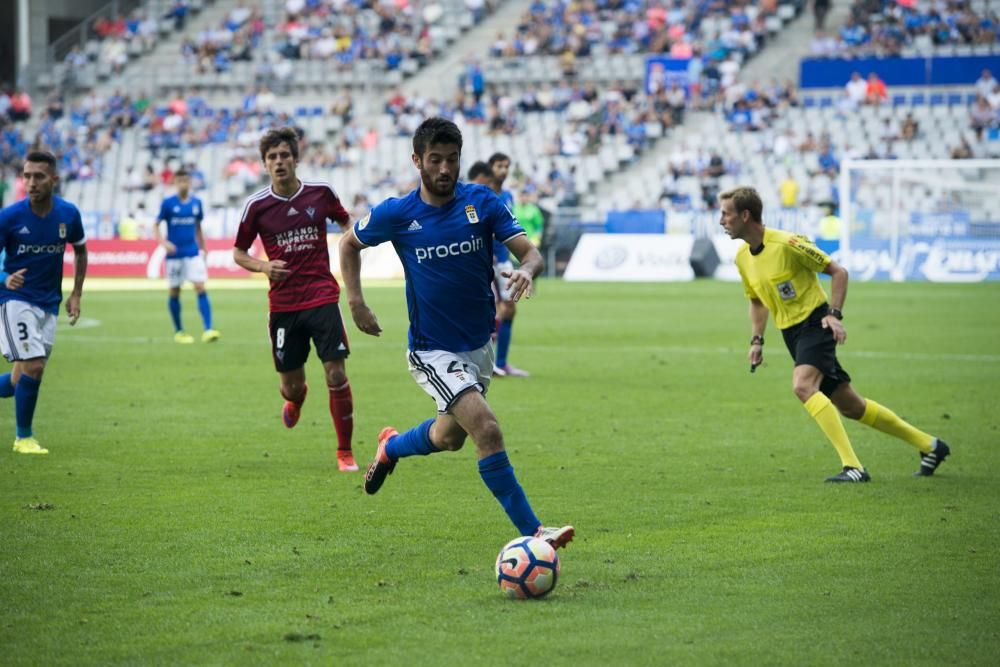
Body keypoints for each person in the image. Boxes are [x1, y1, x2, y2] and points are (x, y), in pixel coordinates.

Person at [339, 117, 573, 548]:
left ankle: (390, 447)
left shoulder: (481, 202)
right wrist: (355, 301)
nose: (445, 169)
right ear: (417, 161)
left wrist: (526, 270)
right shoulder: (398, 213)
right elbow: (348, 244)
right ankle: (535, 533)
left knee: (449, 438)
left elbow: (531, 253)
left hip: (479, 344)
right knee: (486, 429)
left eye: (452, 160)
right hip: (432, 349)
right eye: (435, 160)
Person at [718, 186, 950, 482]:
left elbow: (839, 272)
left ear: (745, 215)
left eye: (726, 213)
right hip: (792, 334)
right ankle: (930, 446)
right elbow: (756, 301)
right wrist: (757, 340)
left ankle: (853, 467)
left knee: (803, 386)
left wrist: (834, 315)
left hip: (817, 323)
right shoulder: (742, 257)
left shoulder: (789, 244)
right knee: (851, 406)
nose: (721, 220)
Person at [233, 127, 358, 472]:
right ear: (264, 164)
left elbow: (347, 222)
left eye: (284, 155)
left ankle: (344, 452)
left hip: (322, 297)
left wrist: (352, 240)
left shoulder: (320, 194)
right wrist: (263, 266)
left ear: (295, 158)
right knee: (291, 385)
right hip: (284, 307)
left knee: (335, 374)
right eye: (272, 157)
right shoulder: (256, 206)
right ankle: (295, 400)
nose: (279, 162)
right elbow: (238, 253)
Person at [0, 151, 88, 454]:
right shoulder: (9, 217)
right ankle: (23, 437)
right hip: (15, 300)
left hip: (49, 303)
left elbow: (80, 250)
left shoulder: (68, 214)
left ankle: (24, 435)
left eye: (38, 176)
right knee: (34, 367)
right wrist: (4, 278)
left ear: (54, 179)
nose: (31, 182)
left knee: (17, 382)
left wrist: (76, 293)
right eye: (26, 176)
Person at [154, 167, 219, 344]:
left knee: (200, 287)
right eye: (179, 180)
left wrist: (204, 248)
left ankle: (208, 329)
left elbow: (198, 227)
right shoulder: (167, 203)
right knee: (175, 291)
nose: (183, 183)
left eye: (186, 180)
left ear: (190, 182)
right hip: (174, 256)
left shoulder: (197, 203)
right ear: (174, 183)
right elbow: (156, 224)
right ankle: (179, 331)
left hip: (192, 253)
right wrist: (163, 242)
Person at [487, 153, 530, 377]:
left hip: (504, 259)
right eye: (499, 166)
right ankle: (488, 362)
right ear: (490, 168)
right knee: (494, 309)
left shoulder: (507, 195)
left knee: (510, 308)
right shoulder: (485, 194)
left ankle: (501, 362)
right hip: (488, 259)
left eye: (506, 166)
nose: (503, 170)